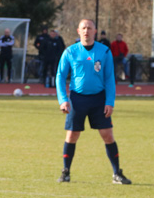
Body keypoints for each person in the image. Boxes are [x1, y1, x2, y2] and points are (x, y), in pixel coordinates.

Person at [56, 19, 131, 185]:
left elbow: (110, 78)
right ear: (78, 30)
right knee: (72, 135)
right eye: (83, 28)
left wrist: (110, 102)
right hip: (77, 99)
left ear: (95, 31)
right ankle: (66, 172)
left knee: (108, 135)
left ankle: (117, 173)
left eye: (89, 28)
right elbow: (60, 76)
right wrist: (63, 100)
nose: (86, 31)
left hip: (99, 99)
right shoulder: (70, 51)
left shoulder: (104, 51)